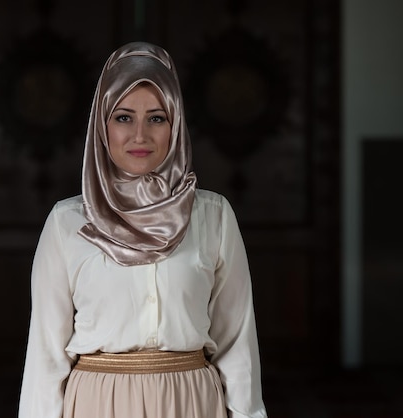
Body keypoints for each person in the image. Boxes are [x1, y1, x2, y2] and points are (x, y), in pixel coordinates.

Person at [18, 41, 268, 418]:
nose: (140, 135)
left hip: (192, 402)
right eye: (122, 117)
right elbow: (45, 354)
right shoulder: (66, 223)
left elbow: (237, 341)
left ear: (176, 124)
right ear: (101, 126)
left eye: (156, 117)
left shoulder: (213, 216)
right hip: (97, 405)